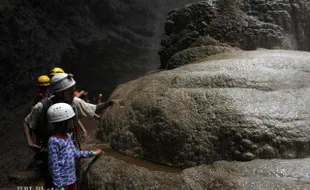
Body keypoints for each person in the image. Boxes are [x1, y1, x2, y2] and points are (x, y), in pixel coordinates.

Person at [23, 73, 122, 188]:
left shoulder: (74, 102)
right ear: (60, 92)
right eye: (70, 92)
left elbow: (93, 108)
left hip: (69, 148)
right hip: (49, 151)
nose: (73, 95)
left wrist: (110, 103)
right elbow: (27, 121)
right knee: (51, 179)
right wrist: (30, 142)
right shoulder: (42, 106)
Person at [47, 103, 103, 190]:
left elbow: (75, 153)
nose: (73, 123)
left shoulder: (68, 136)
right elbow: (53, 166)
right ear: (62, 122)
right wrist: (59, 186)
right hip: (62, 184)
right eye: (70, 120)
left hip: (72, 180)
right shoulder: (53, 141)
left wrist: (94, 152)